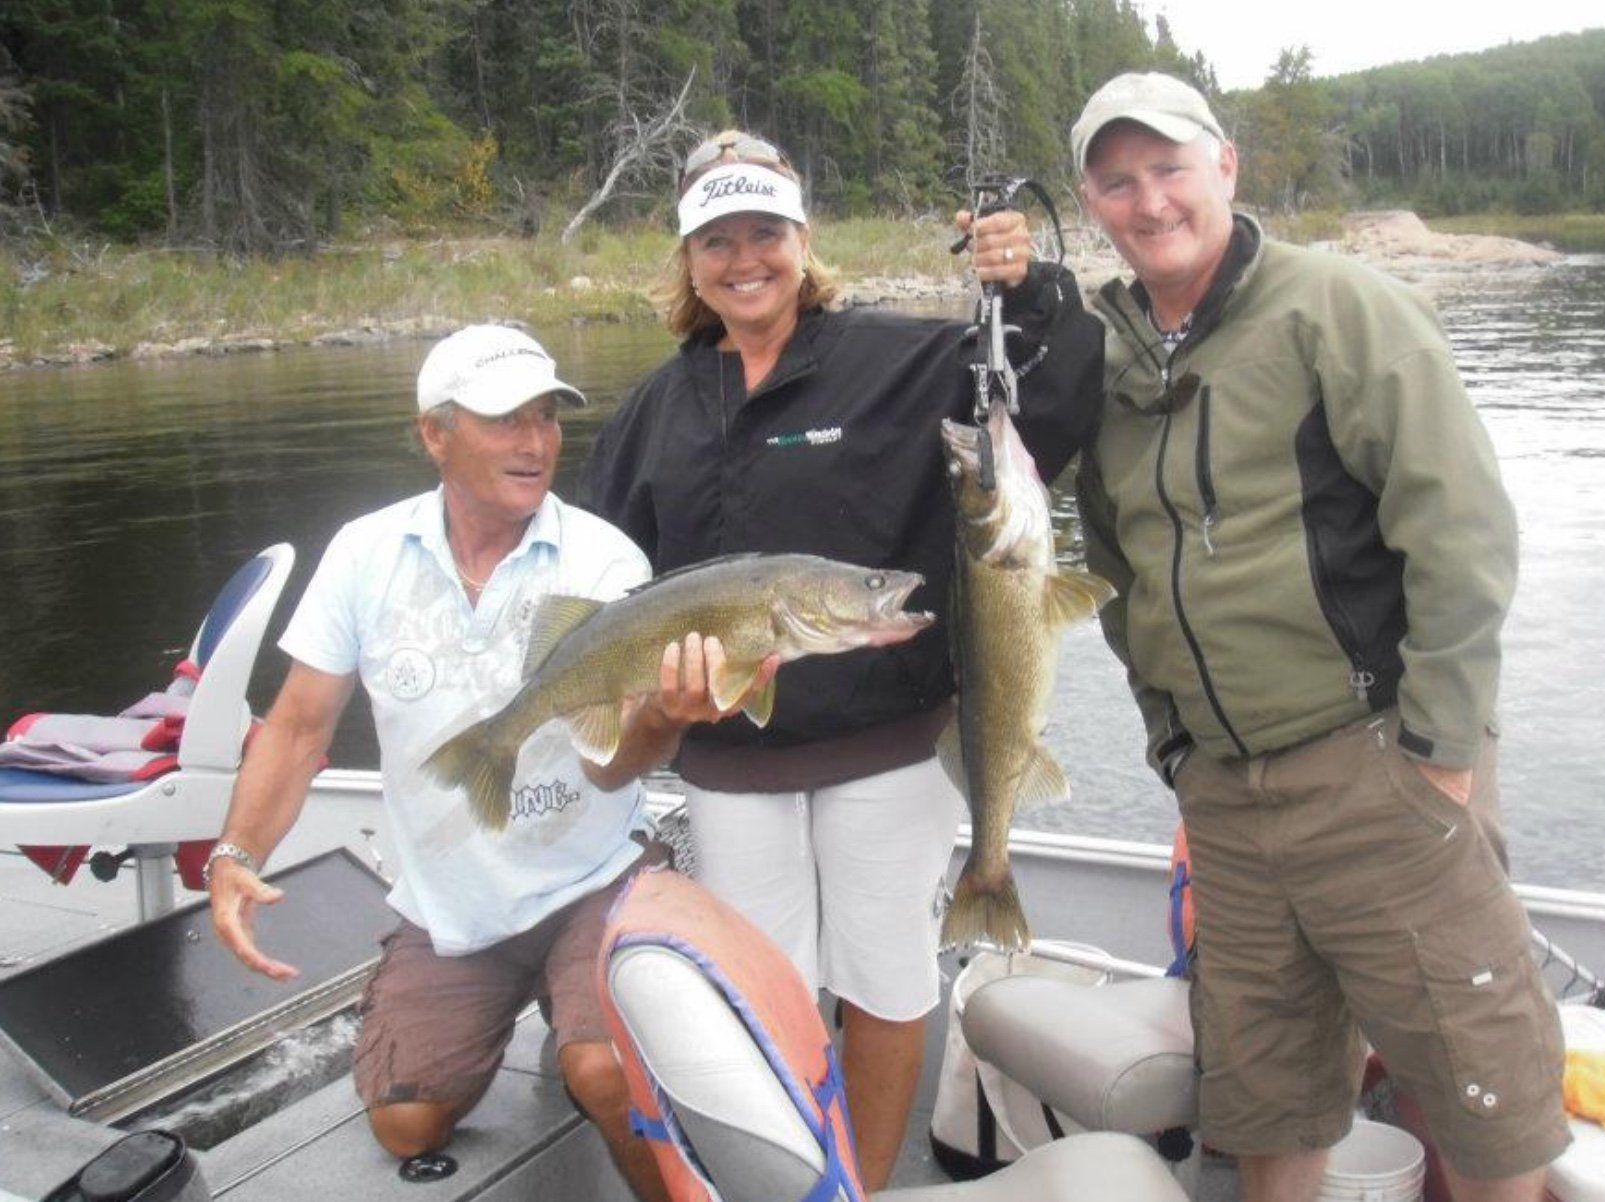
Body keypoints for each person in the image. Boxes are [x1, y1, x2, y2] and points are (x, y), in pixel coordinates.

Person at [1070, 73, 1570, 1202]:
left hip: (1377, 769)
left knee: (1482, 1102)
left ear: (1225, 168)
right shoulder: (1102, 364)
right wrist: (1173, 745)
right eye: (1117, 181)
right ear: (1089, 202)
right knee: (1264, 1105)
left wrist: (1436, 751)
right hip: (1226, 804)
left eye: (1168, 169)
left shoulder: (1337, 307)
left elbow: (1460, 531)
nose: (1149, 202)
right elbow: (1113, 573)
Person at [583, 130, 1101, 1189]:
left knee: (884, 975)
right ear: (686, 258)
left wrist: (1030, 285)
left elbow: (1043, 405)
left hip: (889, 754)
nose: (743, 259)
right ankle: (791, 1179)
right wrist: (644, 705)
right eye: (715, 239)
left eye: (763, 232)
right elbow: (610, 584)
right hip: (731, 764)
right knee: (758, 988)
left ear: (801, 239)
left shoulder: (901, 358)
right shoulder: (649, 412)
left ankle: (857, 1179)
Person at [208, 324, 769, 1201]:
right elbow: (296, 728)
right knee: (407, 1122)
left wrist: (663, 716)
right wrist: (235, 854)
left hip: (592, 878)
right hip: (450, 901)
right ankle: (539, 1000)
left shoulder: (604, 559)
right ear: (436, 433)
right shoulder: (364, 553)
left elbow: (614, 769)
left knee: (604, 1074)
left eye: (546, 418)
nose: (537, 442)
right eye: (506, 420)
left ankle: (598, 1037)